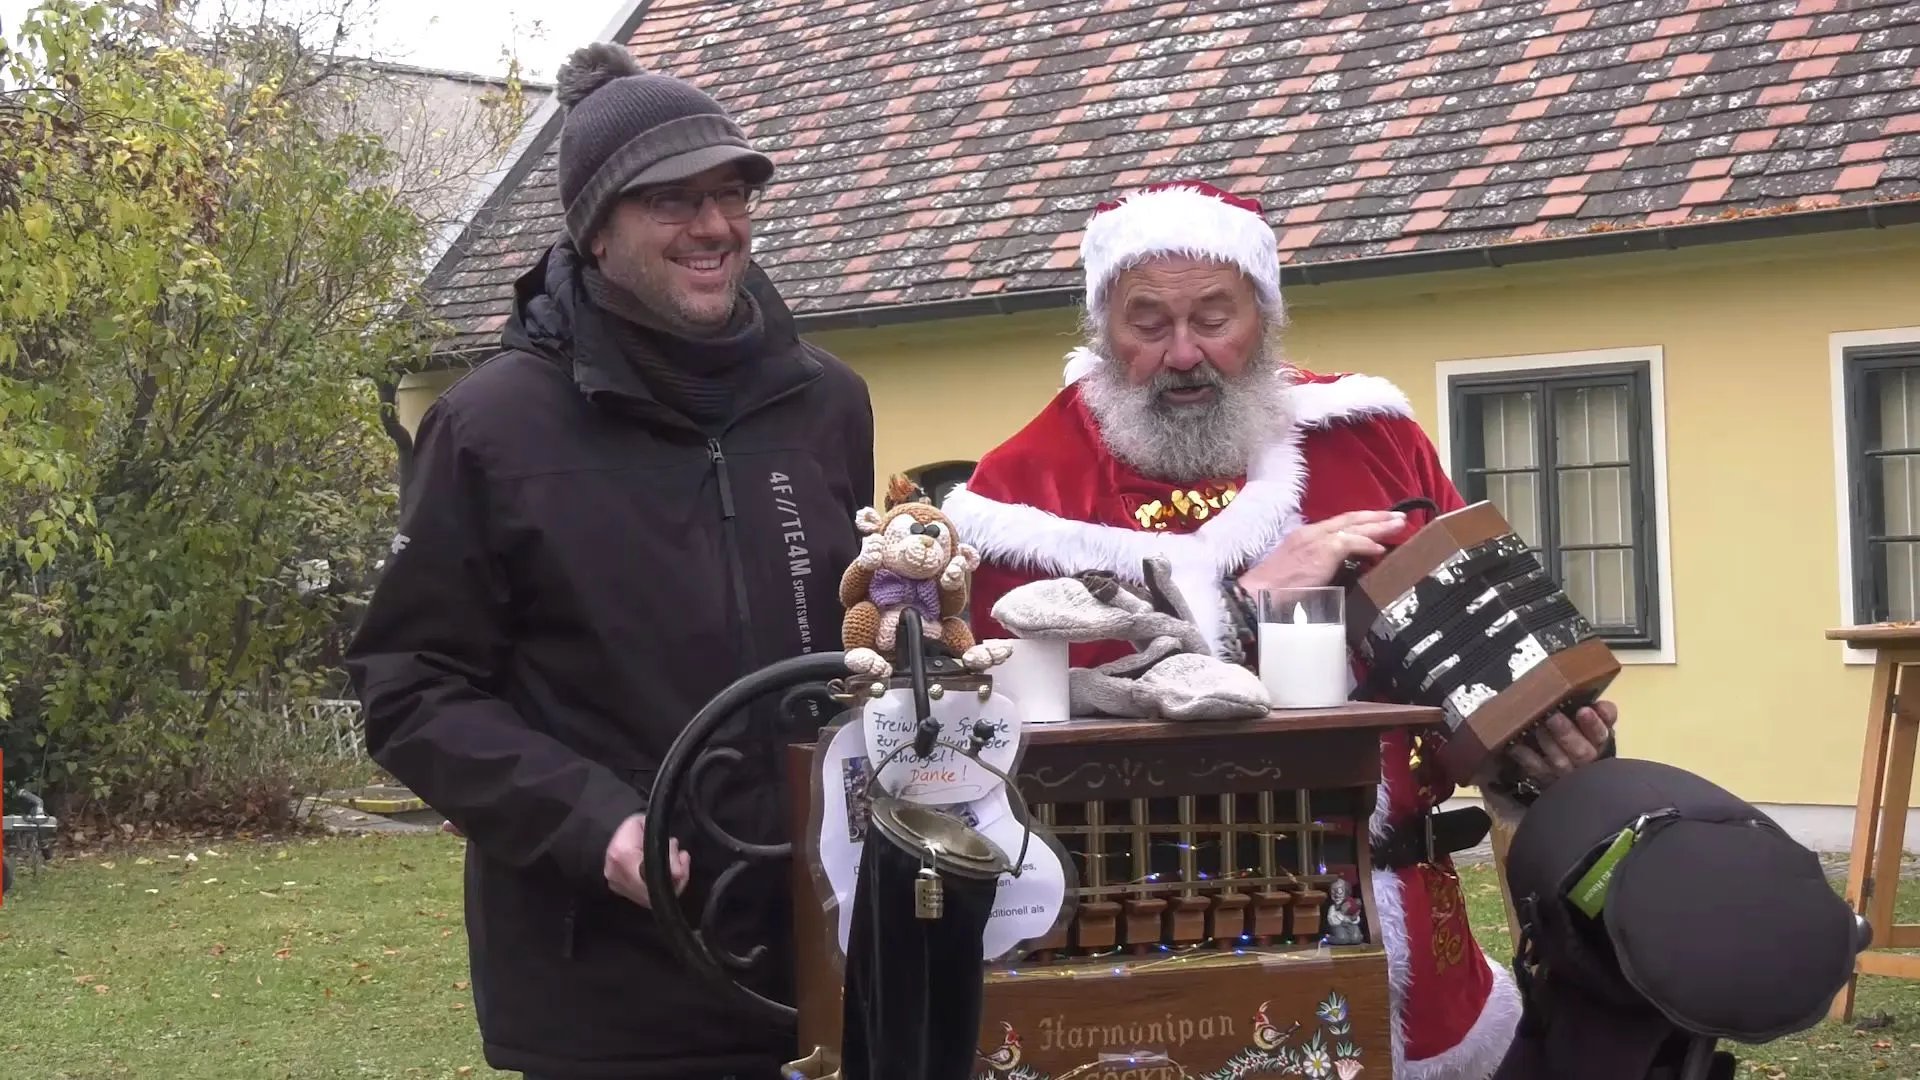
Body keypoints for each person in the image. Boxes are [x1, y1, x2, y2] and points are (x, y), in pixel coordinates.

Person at [941, 179, 1617, 1080]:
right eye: (1148, 325)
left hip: (1405, 929)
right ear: (1103, 328)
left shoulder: (1370, 438)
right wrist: (1246, 597)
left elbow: (1465, 654)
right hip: (1153, 940)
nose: (1185, 354)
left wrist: (1532, 752)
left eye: (1214, 317)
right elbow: (1016, 733)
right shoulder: (1019, 498)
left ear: (1264, 313)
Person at [345, 42, 873, 1080]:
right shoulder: (490, 426)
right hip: (602, 984)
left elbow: (847, 638)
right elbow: (409, 687)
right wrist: (599, 826)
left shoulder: (826, 401)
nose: (716, 227)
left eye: (731, 194)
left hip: (822, 952)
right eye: (672, 202)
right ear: (595, 230)